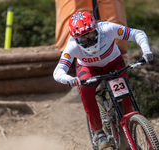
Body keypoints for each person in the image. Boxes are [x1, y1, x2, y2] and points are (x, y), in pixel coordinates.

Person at [53, 11, 153, 149]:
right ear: (75, 39)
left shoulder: (107, 28)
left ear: (96, 29)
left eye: (91, 35)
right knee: (85, 88)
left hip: (114, 64)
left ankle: (129, 133)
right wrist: (69, 79)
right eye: (82, 39)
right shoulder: (72, 46)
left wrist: (146, 50)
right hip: (89, 69)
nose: (88, 41)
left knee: (126, 98)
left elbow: (137, 33)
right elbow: (58, 71)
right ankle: (98, 132)